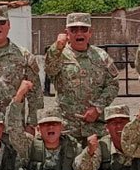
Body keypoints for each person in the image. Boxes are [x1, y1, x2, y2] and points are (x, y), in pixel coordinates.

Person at [44, 13, 119, 143]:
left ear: (90, 33)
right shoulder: (58, 55)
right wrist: (56, 48)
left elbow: (113, 84)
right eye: (74, 30)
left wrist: (98, 108)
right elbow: (50, 70)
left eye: (84, 29)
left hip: (96, 128)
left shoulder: (101, 56)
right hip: (67, 129)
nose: (79, 33)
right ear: (67, 33)